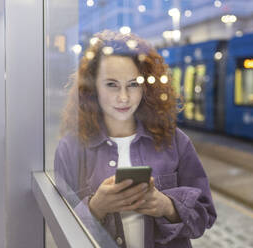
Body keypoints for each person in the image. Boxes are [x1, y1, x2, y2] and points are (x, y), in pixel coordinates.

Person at [54, 30, 216, 248]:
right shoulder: (71, 148)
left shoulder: (175, 141)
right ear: (93, 87)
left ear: (146, 87)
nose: (124, 97)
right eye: (111, 84)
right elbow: (60, 229)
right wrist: (96, 208)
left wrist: (166, 206)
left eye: (133, 84)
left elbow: (205, 215)